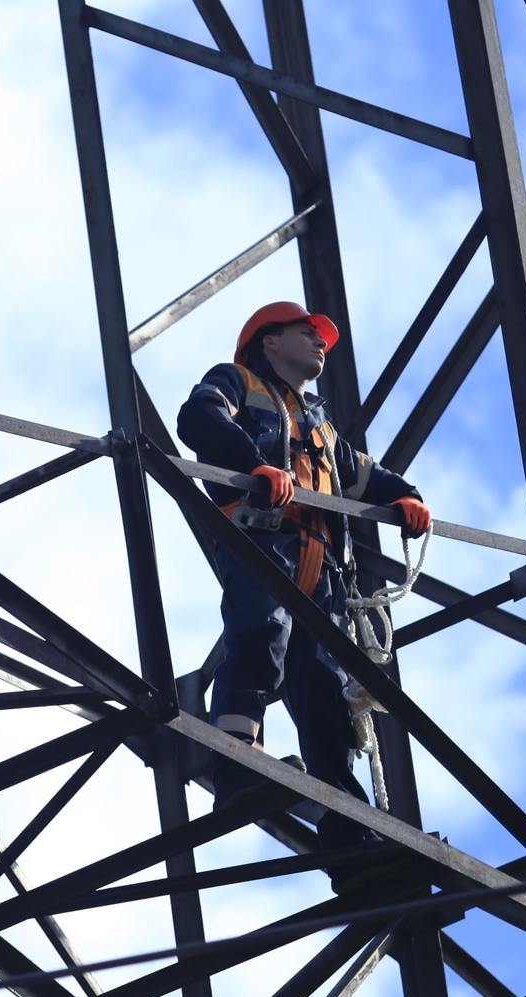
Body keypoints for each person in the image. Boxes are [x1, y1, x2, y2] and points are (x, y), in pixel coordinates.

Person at [176, 300, 429, 864]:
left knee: (324, 690)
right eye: (306, 333)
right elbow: (197, 419)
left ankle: (348, 827)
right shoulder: (238, 383)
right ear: (271, 342)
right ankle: (238, 760)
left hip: (321, 567)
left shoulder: (317, 421)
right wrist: (252, 462)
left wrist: (405, 496)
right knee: (261, 633)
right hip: (264, 539)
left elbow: (361, 474)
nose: (319, 343)